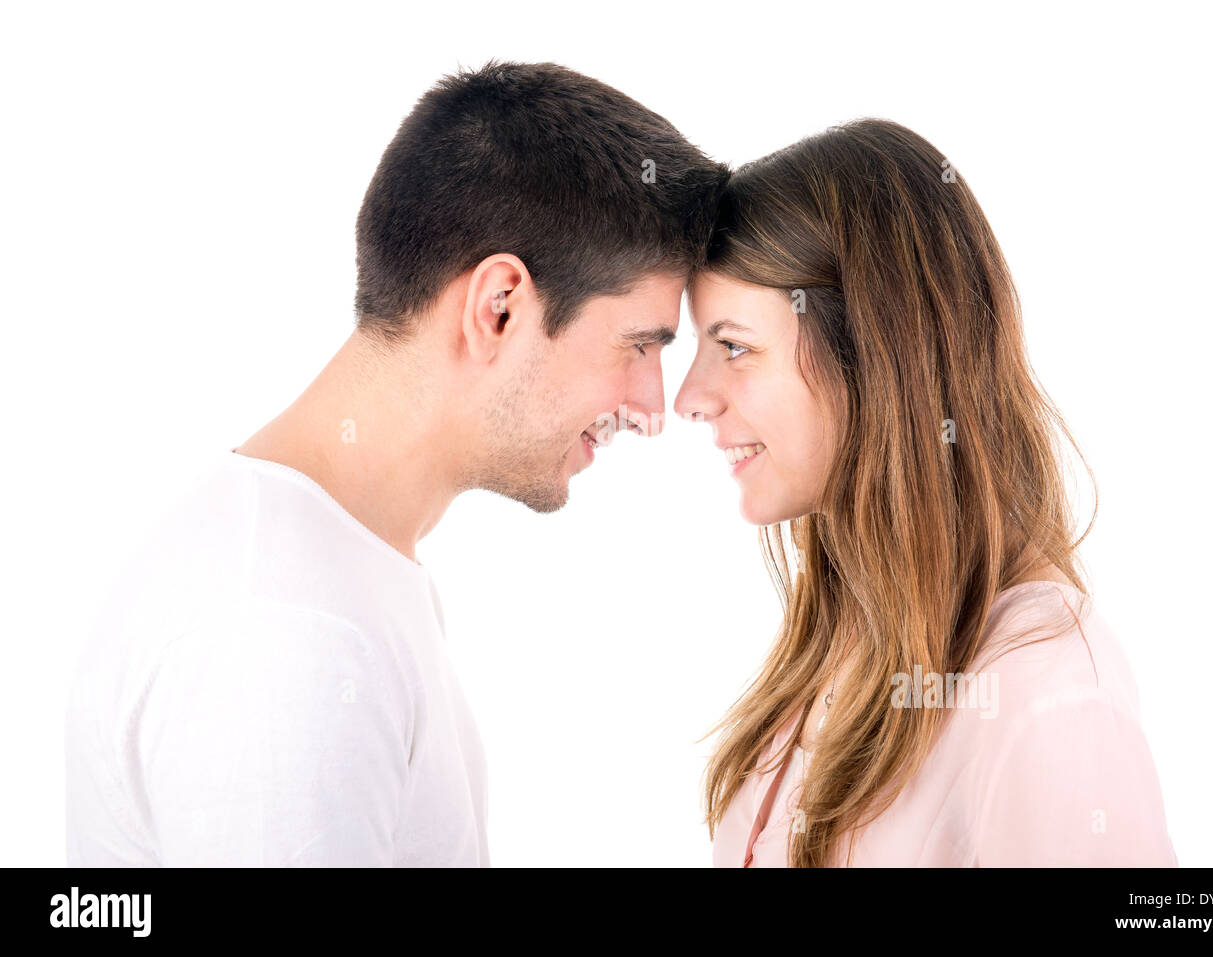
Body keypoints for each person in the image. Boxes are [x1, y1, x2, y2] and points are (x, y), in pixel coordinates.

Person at [65, 61, 728, 866]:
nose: (652, 409)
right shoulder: (285, 632)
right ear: (500, 307)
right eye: (639, 345)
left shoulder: (331, 572)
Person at [674, 118, 1177, 867]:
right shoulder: (837, 652)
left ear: (877, 355)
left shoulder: (1047, 700)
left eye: (735, 346)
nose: (690, 395)